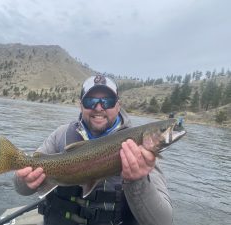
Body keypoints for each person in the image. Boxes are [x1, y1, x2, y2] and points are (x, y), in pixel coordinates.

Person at [14, 75, 173, 225]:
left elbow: (163, 222)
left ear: (118, 106)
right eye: (91, 101)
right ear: (81, 105)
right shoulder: (61, 135)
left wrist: (138, 180)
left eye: (108, 101)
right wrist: (24, 181)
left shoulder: (144, 153)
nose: (98, 107)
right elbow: (21, 189)